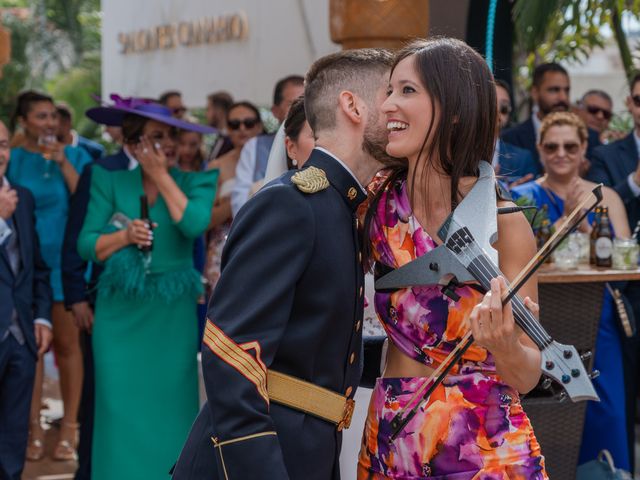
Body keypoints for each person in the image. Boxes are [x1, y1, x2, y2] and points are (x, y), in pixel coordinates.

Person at [171, 47, 394, 480]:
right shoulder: (291, 204)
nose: (399, 110)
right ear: (353, 105)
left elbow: (313, 343)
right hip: (256, 458)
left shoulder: (341, 207)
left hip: (308, 447)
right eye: (391, 94)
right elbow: (232, 358)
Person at [357, 37, 547, 479]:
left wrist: (502, 345)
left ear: (455, 108)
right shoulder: (376, 205)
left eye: (407, 91)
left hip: (486, 443)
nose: (387, 105)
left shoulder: (506, 223)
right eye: (389, 90)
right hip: (395, 431)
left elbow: (529, 375)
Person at [79, 100, 217, 480]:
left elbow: (193, 224)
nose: (169, 143)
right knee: (117, 409)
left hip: (171, 315)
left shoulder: (198, 182)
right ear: (133, 143)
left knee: (172, 407)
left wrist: (161, 175)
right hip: (118, 313)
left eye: (171, 135)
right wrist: (124, 235)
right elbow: (86, 244)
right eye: (157, 137)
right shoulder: (107, 179)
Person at [511, 111, 630, 471]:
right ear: (539, 149)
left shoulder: (605, 195)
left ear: (584, 151)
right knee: (547, 410)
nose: (561, 153)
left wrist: (584, 230)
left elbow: (624, 264)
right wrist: (562, 221)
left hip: (598, 317)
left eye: (570, 146)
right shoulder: (521, 198)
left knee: (602, 407)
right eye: (552, 146)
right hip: (541, 314)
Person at [61, 95, 146, 480]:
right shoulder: (101, 171)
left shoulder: (175, 174)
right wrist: (77, 295)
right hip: (106, 299)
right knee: (101, 394)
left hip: (158, 308)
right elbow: (76, 235)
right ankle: (91, 471)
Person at [8, 90, 92, 462]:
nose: (49, 123)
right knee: (33, 349)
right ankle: (33, 426)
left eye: (52, 116)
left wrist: (62, 162)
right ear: (23, 121)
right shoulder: (12, 159)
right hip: (24, 268)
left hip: (65, 263)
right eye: (40, 117)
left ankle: (70, 426)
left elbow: (87, 201)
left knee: (69, 346)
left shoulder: (74, 155)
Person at [587, 72, 640, 473]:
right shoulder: (610, 155)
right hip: (631, 298)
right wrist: (636, 182)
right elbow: (603, 209)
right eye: (638, 100)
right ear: (631, 106)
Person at [0, 119, 53, 480]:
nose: (0, 154)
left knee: (14, 432)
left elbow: (37, 268)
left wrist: (42, 317)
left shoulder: (23, 197)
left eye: (3, 145)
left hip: (20, 337)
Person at [204, 101, 264, 293]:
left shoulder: (274, 159)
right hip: (225, 245)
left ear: (259, 125)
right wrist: (239, 197)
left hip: (263, 239)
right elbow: (205, 218)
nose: (242, 129)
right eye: (234, 124)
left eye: (249, 122)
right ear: (227, 129)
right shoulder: (217, 166)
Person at [502, 63, 601, 174]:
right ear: (535, 92)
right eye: (554, 90)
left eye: (566, 90)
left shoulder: (591, 138)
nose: (563, 97)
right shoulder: (509, 139)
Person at [230, 74, 304, 216]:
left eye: (308, 102)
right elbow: (239, 205)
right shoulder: (254, 147)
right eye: (294, 104)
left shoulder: (321, 143)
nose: (303, 110)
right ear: (275, 111)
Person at [493, 80, 538, 185]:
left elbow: (531, 198)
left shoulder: (522, 158)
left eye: (504, 107)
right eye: (491, 103)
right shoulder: (457, 152)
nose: (497, 111)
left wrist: (511, 195)